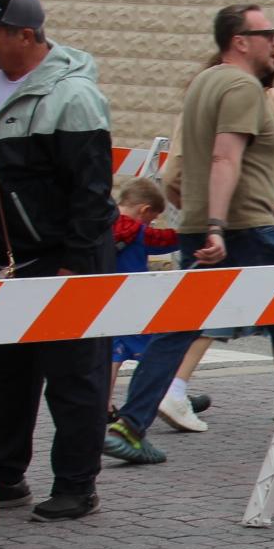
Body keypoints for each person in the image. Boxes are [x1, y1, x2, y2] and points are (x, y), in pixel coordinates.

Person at [105, 4, 274, 465]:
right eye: (266, 34)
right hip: (244, 230)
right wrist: (221, 227)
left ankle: (131, 425)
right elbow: (224, 158)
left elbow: (203, 164)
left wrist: (268, 205)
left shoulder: (204, 83)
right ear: (239, 41)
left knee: (179, 325)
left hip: (208, 222)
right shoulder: (242, 87)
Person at [0, 0, 115, 522]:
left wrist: (75, 262)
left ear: (24, 35)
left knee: (73, 374)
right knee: (6, 372)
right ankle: (3, 477)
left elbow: (91, 193)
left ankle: (76, 485)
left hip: (63, 256)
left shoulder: (73, 97)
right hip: (4, 256)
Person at [156, 37, 274, 425]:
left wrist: (197, 212)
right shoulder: (267, 101)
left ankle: (159, 398)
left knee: (204, 306)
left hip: (201, 219)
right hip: (253, 222)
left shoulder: (197, 101)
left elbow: (172, 173)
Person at [107, 177, 183, 416]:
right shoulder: (140, 232)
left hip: (106, 300)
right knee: (155, 351)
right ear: (144, 210)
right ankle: (167, 396)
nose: (150, 225)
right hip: (134, 302)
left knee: (113, 353)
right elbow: (168, 240)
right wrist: (192, 233)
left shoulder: (103, 225)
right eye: (151, 220)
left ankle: (104, 403)